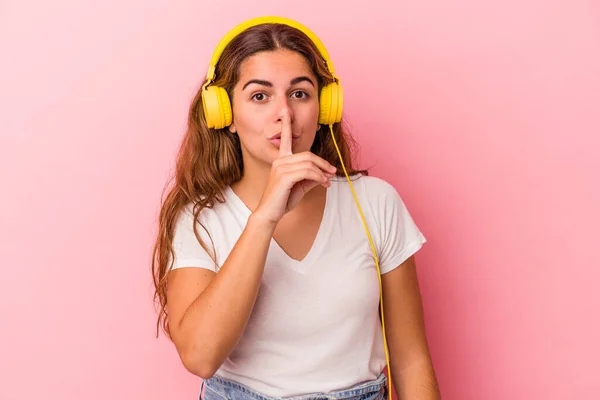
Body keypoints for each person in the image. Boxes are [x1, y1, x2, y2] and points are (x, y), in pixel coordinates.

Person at [151, 16, 440, 400]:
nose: (284, 114)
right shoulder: (200, 218)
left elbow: (410, 358)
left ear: (325, 108)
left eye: (300, 93)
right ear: (225, 115)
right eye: (260, 96)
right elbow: (201, 357)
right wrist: (264, 218)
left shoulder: (375, 202)